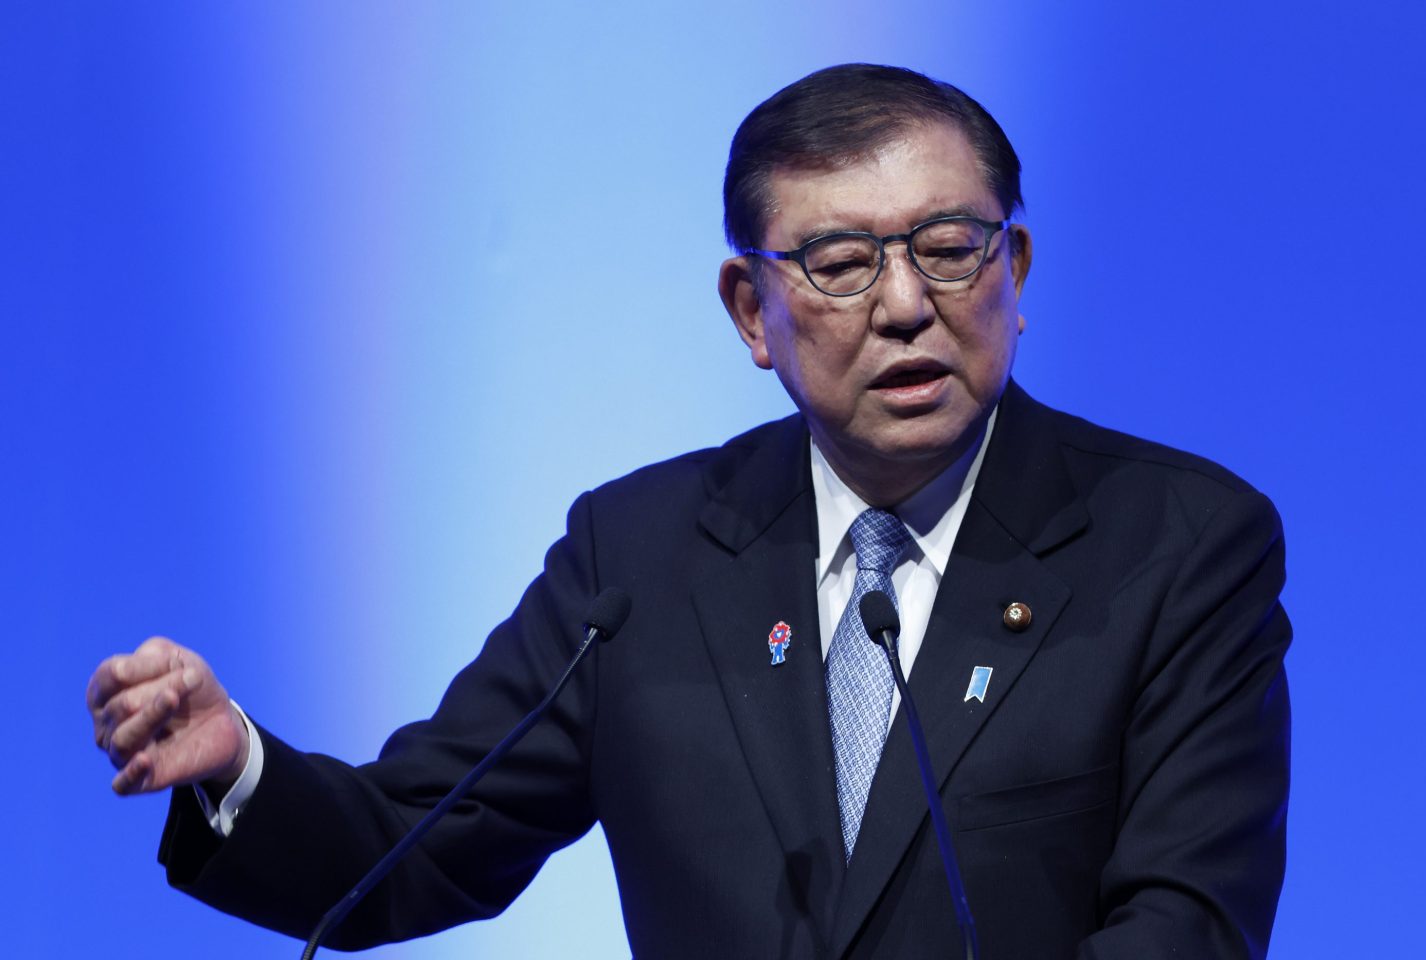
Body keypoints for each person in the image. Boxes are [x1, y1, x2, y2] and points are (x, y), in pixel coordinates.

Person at [87, 63, 1291, 958]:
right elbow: (409, 847)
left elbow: (1187, 927)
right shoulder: (641, 558)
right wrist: (235, 762)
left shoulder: (1179, 546)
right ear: (749, 312)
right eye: (841, 264)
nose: (907, 304)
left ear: (1016, 272)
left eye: (950, 246)